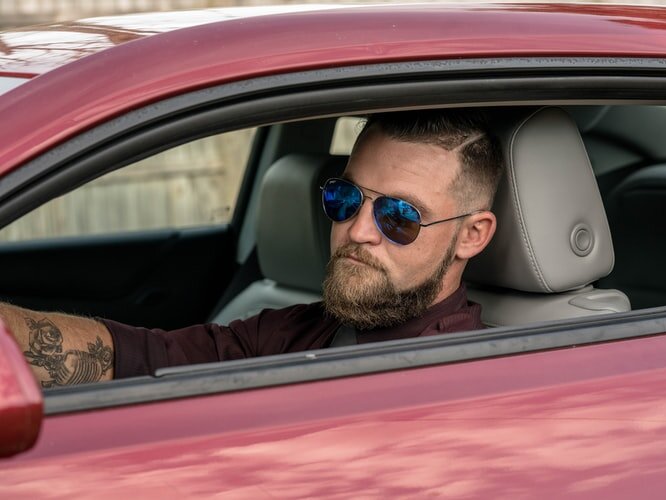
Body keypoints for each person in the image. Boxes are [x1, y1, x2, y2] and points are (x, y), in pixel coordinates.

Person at [6, 109, 503, 387]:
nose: (357, 231)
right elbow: (142, 357)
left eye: (399, 217)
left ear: (472, 235)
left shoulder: (462, 380)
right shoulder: (299, 329)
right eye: (345, 198)